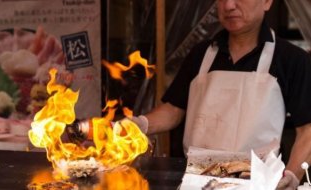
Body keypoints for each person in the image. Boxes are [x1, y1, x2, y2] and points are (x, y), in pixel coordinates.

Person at [127, 0, 311, 189]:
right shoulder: (200, 54)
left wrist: (292, 174)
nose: (229, 5)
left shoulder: (292, 60)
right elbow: (174, 109)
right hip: (197, 177)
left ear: (266, 2)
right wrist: (140, 124)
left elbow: (308, 130)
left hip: (257, 181)